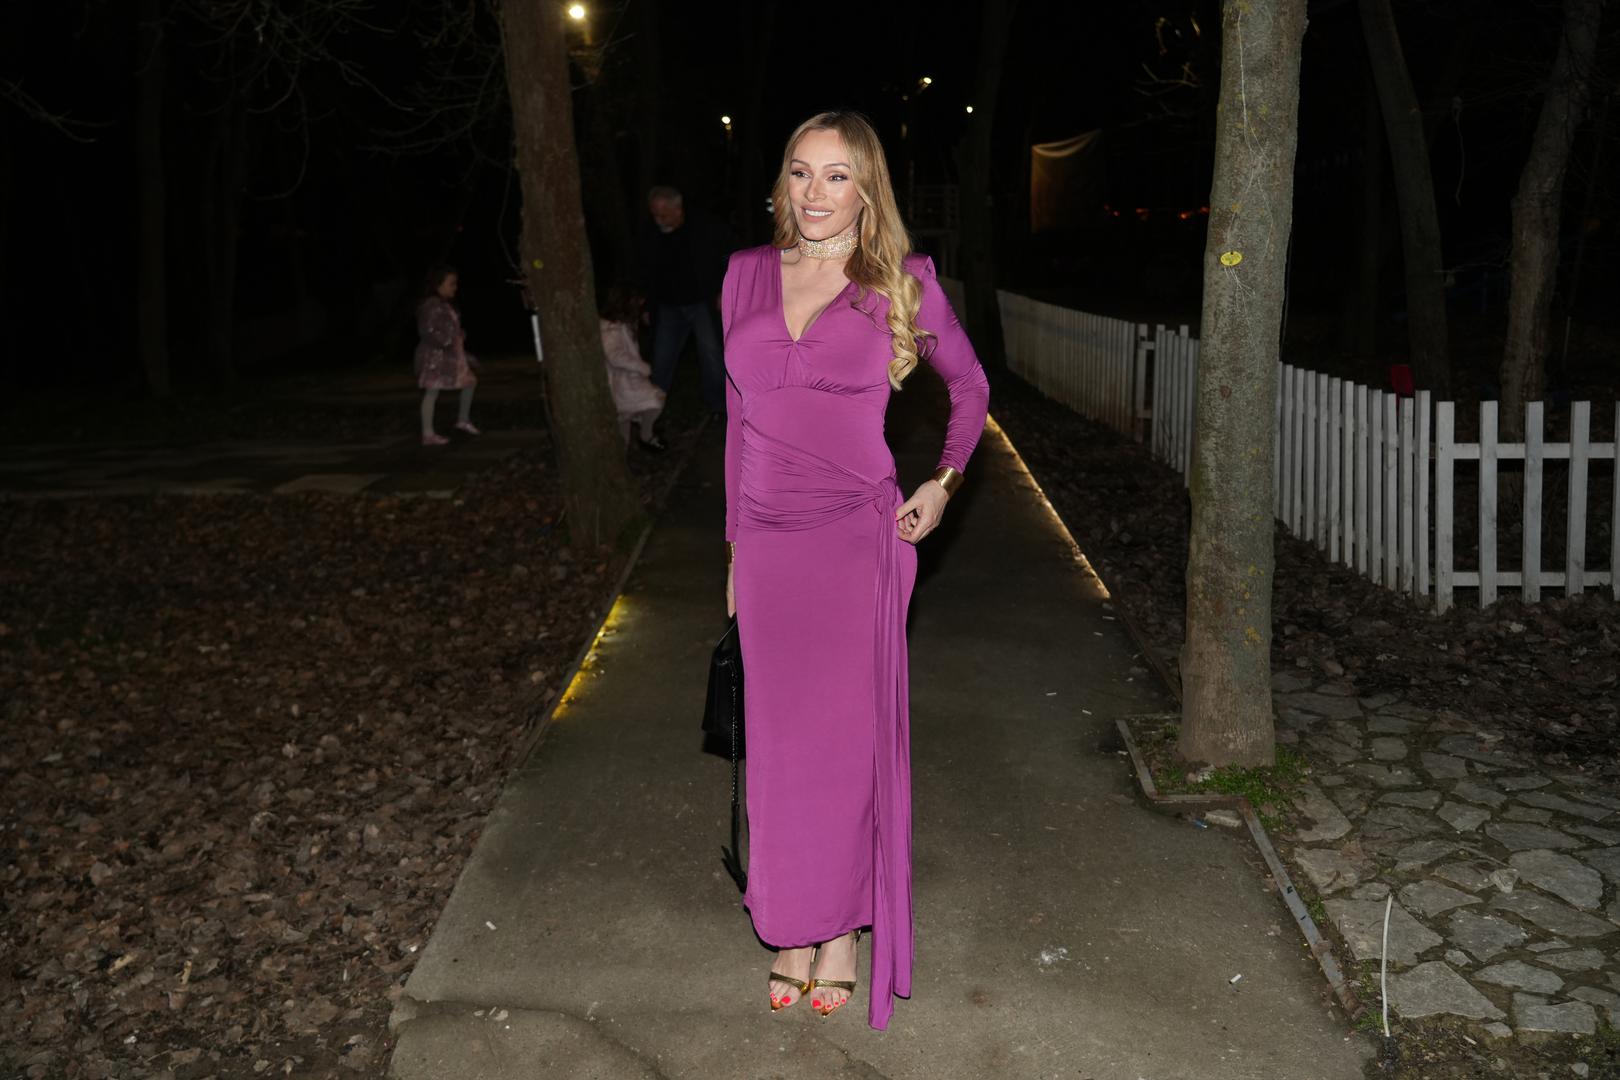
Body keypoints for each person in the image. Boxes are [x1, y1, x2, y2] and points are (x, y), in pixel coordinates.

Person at [721, 111, 990, 1029]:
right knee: (779, 747)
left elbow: (972, 388)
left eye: (837, 176)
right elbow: (736, 422)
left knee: (841, 746)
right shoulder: (744, 274)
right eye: (801, 171)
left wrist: (944, 484)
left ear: (867, 189)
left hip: (854, 539)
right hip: (767, 544)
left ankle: (836, 931)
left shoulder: (900, 284)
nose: (815, 192)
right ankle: (791, 922)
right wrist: (732, 549)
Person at [637, 185, 732, 413]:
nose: (658, 220)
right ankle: (652, 409)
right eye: (655, 214)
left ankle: (718, 407)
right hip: (668, 306)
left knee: (711, 355)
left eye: (663, 214)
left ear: (678, 209)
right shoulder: (651, 233)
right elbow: (646, 270)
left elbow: (732, 253)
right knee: (662, 359)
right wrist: (647, 304)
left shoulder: (705, 227)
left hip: (701, 303)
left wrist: (724, 289)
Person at [598, 283, 667, 451]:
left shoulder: (623, 323)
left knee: (628, 414)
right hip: (622, 381)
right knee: (653, 401)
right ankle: (643, 436)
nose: (641, 304)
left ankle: (643, 436)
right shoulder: (610, 329)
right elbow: (615, 356)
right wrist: (641, 367)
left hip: (628, 378)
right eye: (638, 302)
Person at [415, 266, 479, 446]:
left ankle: (463, 420)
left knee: (470, 382)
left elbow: (449, 329)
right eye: (451, 284)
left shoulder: (444, 305)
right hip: (435, 358)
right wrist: (449, 340)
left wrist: (458, 337)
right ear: (439, 285)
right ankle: (428, 434)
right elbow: (428, 331)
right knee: (432, 391)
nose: (455, 288)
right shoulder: (431, 305)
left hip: (451, 355)